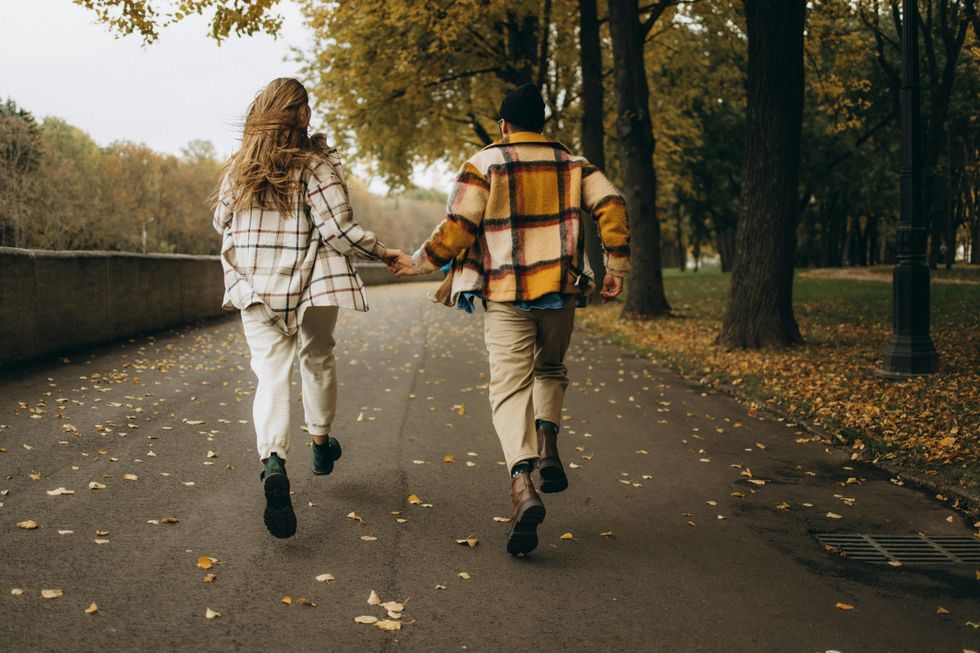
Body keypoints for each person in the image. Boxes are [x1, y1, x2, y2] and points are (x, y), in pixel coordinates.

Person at [389, 83, 630, 555]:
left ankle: (522, 482)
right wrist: (615, 264)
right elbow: (612, 203)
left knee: (509, 387)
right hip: (560, 291)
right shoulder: (573, 163)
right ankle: (549, 441)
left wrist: (420, 261)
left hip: (506, 293)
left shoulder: (485, 163)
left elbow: (458, 228)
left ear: (503, 124)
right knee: (551, 369)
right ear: (541, 124)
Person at [212, 78, 402, 539]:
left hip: (254, 286)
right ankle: (320, 443)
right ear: (299, 115)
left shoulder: (238, 168)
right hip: (312, 285)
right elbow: (337, 231)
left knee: (271, 377)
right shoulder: (314, 165)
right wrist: (384, 252)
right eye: (307, 108)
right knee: (317, 358)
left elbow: (221, 220)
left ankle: (274, 463)